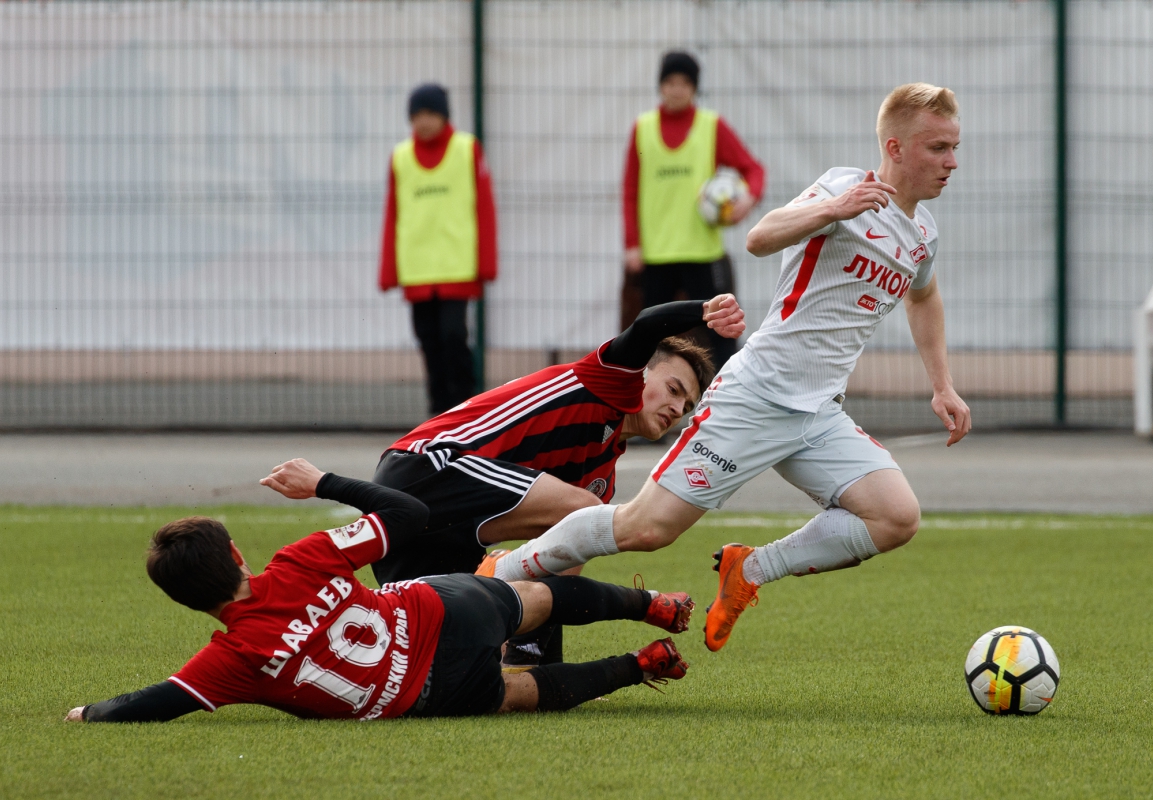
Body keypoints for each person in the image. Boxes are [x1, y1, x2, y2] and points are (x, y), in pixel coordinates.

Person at [487, 83, 972, 653]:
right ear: (895, 147)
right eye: (938, 148)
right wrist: (833, 210)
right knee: (646, 528)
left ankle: (750, 570)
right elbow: (760, 237)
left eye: (954, 148)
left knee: (896, 517)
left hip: (818, 413)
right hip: (756, 396)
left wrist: (942, 385)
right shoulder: (845, 187)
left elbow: (923, 296)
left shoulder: (922, 233)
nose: (951, 162)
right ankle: (502, 570)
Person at [64, 459, 692, 724]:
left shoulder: (230, 660)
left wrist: (90, 713)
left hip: (431, 693)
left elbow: (155, 702)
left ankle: (642, 666)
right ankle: (653, 607)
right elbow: (408, 512)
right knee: (535, 597)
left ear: (185, 600)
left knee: (516, 694)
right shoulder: (299, 561)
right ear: (236, 556)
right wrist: (324, 482)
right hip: (443, 611)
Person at [370, 295, 741, 669]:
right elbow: (647, 323)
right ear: (640, 372)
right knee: (586, 518)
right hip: (423, 469)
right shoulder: (610, 380)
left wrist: (544, 668)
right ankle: (500, 580)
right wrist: (705, 310)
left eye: (687, 407)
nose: (677, 410)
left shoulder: (601, 476)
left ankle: (525, 658)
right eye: (674, 390)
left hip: (434, 535)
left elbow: (558, 570)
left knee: (450, 657)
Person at [621, 51, 766, 371]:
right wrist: (632, 244)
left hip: (703, 252)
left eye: (685, 83)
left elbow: (753, 169)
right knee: (651, 337)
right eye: (670, 82)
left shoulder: (711, 126)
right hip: (657, 255)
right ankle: (648, 397)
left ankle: (727, 394)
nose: (677, 89)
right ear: (660, 86)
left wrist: (748, 199)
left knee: (721, 332)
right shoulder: (642, 129)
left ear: (694, 88)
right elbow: (630, 191)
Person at [379, 83, 497, 416]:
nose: (424, 121)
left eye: (431, 113)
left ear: (445, 116)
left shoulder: (467, 149)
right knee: (428, 342)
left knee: (453, 337)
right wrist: (389, 272)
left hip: (456, 267)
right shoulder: (401, 157)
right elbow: (392, 215)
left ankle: (466, 408)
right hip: (417, 270)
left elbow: (484, 208)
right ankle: (439, 414)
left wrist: (486, 263)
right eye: (417, 115)